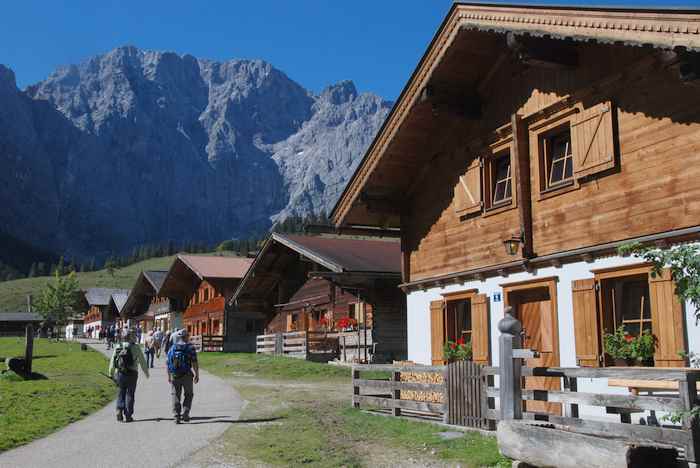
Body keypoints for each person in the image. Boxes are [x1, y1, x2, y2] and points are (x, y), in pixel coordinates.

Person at [108, 329, 150, 423]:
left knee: (121, 392)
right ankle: (128, 415)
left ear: (123, 337)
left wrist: (111, 373)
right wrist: (146, 373)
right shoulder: (136, 347)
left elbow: (113, 360)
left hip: (120, 373)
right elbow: (142, 361)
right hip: (132, 373)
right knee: (130, 394)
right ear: (131, 337)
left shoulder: (118, 346)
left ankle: (119, 410)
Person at [167, 329, 199, 424]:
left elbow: (168, 363)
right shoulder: (190, 347)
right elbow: (194, 362)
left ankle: (176, 416)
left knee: (175, 394)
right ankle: (185, 412)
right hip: (187, 375)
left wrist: (169, 376)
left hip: (175, 375)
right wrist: (197, 374)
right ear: (186, 337)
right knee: (189, 394)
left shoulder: (172, 348)